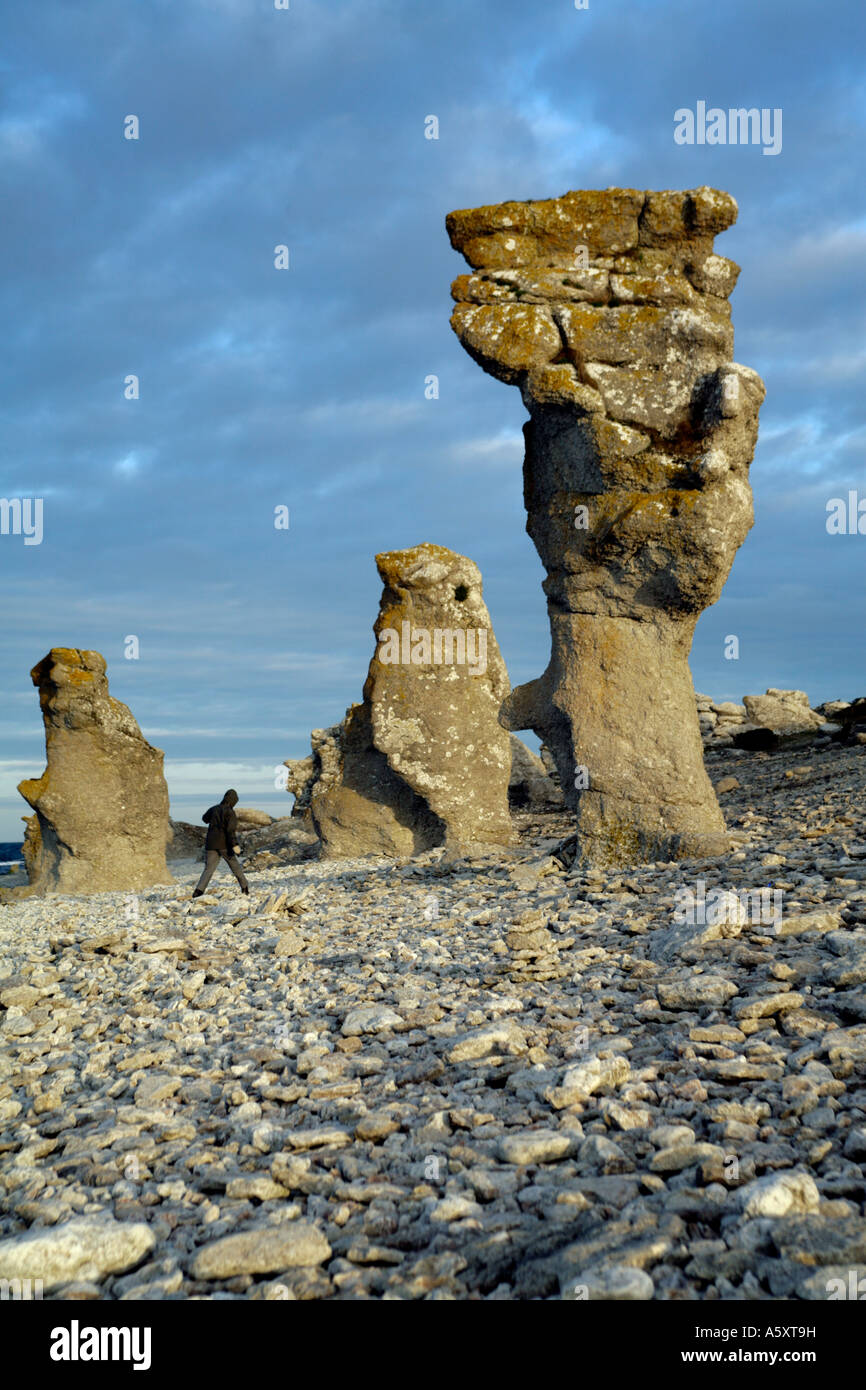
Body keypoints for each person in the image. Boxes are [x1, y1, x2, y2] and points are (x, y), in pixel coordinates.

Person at [192, 788, 249, 897]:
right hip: (224, 845)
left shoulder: (213, 809)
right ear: (234, 801)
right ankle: (245, 887)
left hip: (211, 844)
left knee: (208, 869)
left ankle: (198, 891)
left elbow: (204, 819)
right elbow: (230, 831)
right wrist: (235, 846)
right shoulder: (230, 813)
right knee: (235, 866)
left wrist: (214, 819)